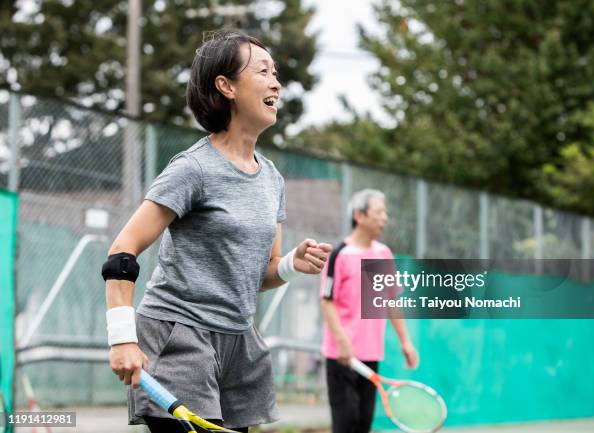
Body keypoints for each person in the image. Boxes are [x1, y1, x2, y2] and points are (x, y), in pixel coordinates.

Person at [101, 30, 332, 433]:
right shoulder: (192, 169)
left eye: (275, 73)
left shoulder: (272, 179)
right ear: (225, 86)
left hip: (239, 342)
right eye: (263, 71)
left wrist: (293, 263)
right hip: (180, 337)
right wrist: (121, 338)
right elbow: (122, 252)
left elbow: (261, 274)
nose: (276, 82)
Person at [320, 189, 419, 433]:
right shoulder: (338, 255)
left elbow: (391, 300)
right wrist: (342, 342)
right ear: (359, 216)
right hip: (342, 357)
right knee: (346, 426)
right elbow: (326, 301)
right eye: (379, 212)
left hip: (371, 355)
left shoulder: (383, 254)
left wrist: (405, 342)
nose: (384, 217)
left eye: (385, 212)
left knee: (363, 425)